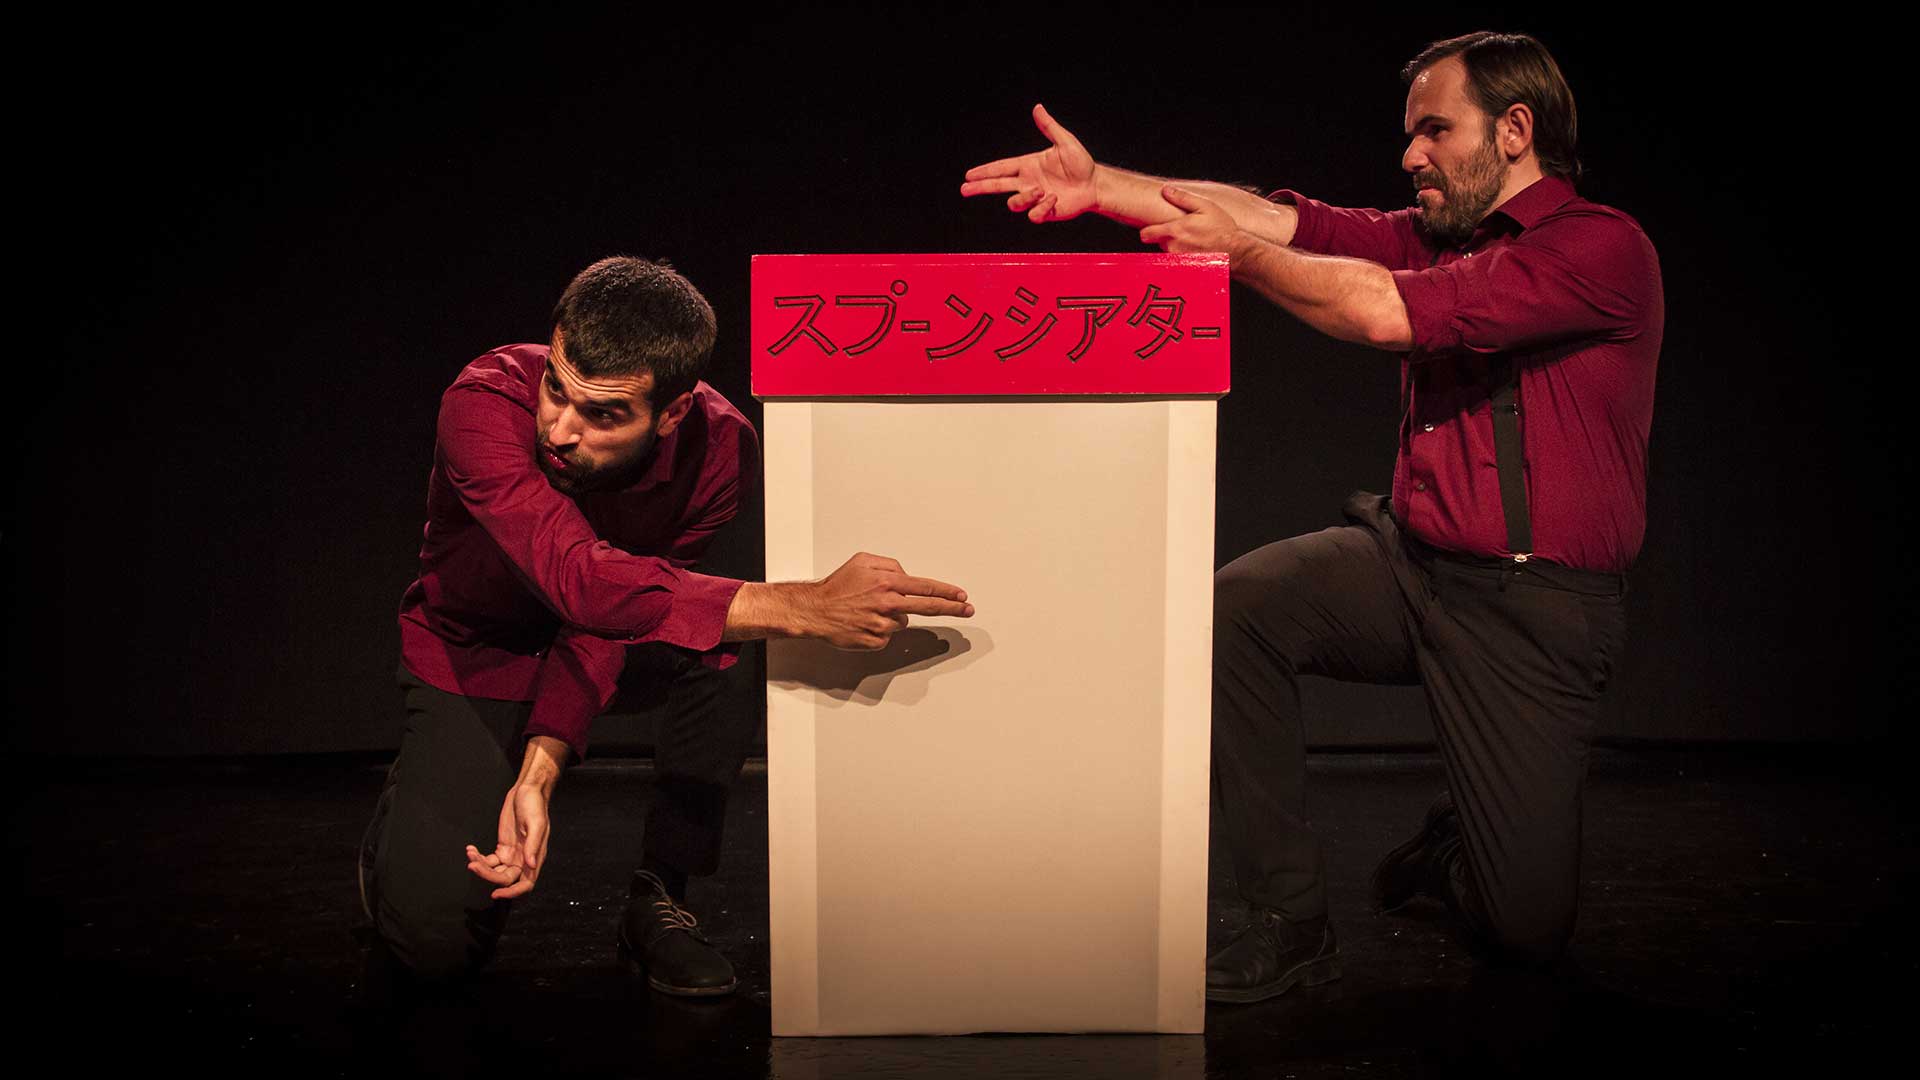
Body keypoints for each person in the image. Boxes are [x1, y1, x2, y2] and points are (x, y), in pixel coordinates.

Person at [963, 31, 1661, 1002]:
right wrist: (1104, 187)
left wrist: (1239, 258)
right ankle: (1286, 918)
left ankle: (1459, 847)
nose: (1410, 154)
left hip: (1533, 608)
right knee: (1237, 610)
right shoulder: (1439, 236)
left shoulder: (1600, 247)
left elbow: (1382, 311)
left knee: (1525, 933)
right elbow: (1285, 221)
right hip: (1411, 567)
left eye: (1435, 130)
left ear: (1514, 130)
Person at [359, 256, 974, 997]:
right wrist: (806, 605)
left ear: (672, 413)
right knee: (433, 948)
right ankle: (409, 816)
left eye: (603, 415)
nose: (559, 429)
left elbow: (616, 613)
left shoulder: (719, 447)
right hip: (479, 653)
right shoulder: (484, 401)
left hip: (605, 642)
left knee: (725, 640)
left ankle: (661, 894)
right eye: (556, 389)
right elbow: (579, 579)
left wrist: (539, 769)